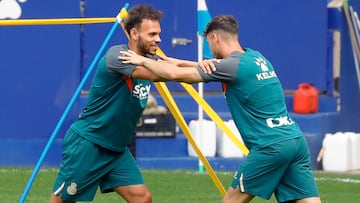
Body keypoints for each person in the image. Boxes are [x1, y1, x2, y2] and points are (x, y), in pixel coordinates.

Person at [119, 15, 322, 203]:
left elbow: (174, 76)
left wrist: (142, 60)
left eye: (208, 43)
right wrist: (177, 61)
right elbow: (210, 65)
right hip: (294, 141)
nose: (209, 50)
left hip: (270, 147)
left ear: (215, 37)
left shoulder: (230, 66)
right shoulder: (255, 57)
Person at [49, 4, 195, 203]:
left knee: (142, 198)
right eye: (152, 34)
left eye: (159, 33)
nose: (158, 39)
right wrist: (209, 74)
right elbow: (164, 72)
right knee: (63, 201)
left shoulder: (148, 58)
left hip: (115, 148)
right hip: (89, 143)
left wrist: (208, 66)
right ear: (134, 33)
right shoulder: (119, 56)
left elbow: (172, 63)